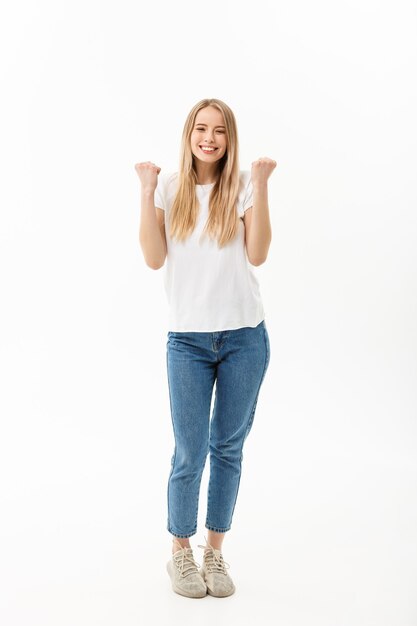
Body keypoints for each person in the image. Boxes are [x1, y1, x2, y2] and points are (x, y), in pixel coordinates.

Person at [135, 98, 277, 598]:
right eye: (201, 128)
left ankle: (214, 552)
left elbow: (257, 253)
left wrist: (259, 185)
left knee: (227, 448)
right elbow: (154, 259)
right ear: (189, 133)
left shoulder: (240, 187)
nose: (209, 138)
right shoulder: (170, 189)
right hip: (188, 343)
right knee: (189, 450)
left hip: (244, 337)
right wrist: (147, 189)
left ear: (229, 137)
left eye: (219, 130)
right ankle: (180, 552)